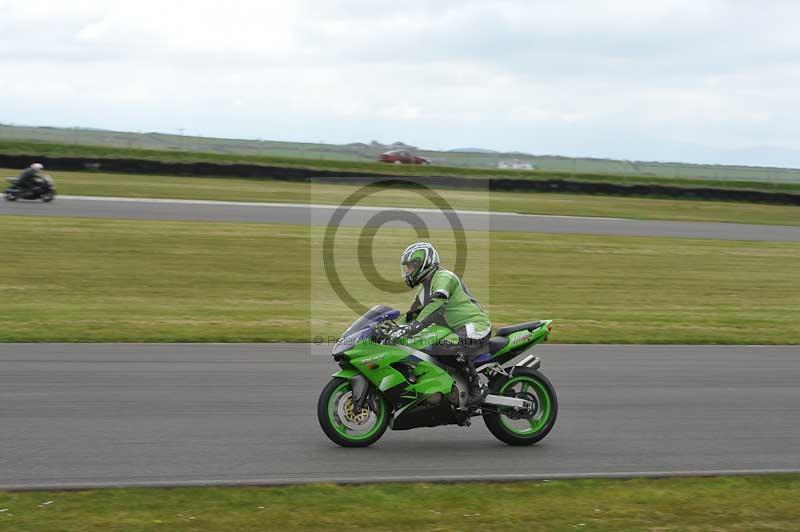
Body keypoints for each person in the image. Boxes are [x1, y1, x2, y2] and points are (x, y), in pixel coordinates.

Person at [396, 242, 492, 406]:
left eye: (411, 267)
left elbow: (436, 305)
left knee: (447, 346)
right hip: (456, 330)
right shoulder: (422, 291)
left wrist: (415, 326)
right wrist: (390, 328)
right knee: (424, 346)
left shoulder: (444, 277)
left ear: (423, 263)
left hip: (475, 326)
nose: (408, 272)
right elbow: (411, 315)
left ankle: (477, 388)